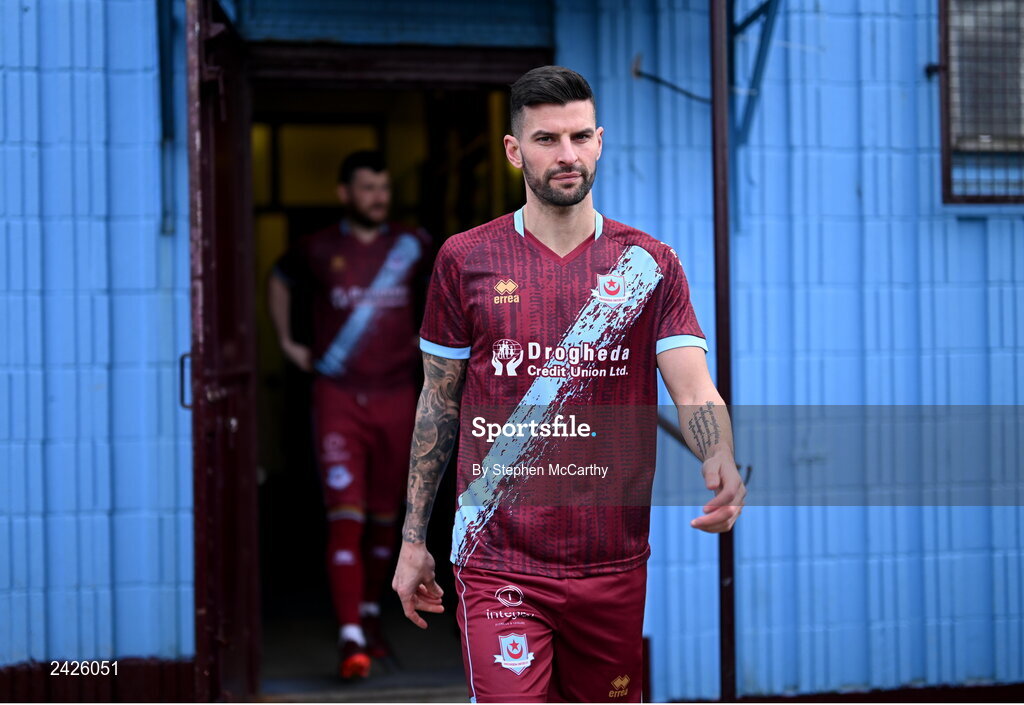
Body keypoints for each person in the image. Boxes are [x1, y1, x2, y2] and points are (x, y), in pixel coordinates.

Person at [391, 66, 747, 702]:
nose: (567, 155)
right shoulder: (466, 259)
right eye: (547, 139)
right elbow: (438, 405)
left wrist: (718, 452)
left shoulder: (649, 264)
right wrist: (414, 540)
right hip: (498, 556)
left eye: (580, 137)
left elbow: (694, 389)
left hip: (611, 561)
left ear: (600, 141)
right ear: (514, 150)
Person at [269, 151, 431, 680]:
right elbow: (278, 276)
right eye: (367, 188)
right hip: (338, 396)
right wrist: (288, 343)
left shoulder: (413, 245)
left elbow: (449, 288)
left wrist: (430, 340)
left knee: (388, 516)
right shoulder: (318, 248)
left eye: (383, 188)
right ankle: (351, 637)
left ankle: (367, 612)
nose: (377, 197)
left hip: (398, 395)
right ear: (345, 194)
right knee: (346, 517)